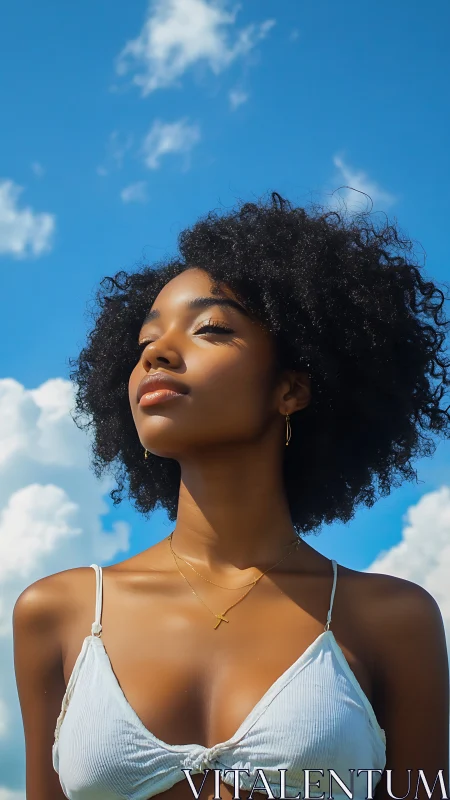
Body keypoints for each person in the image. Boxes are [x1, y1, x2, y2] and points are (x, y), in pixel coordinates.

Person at [13, 192, 450, 800]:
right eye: (145, 343)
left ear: (292, 388)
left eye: (211, 329)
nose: (157, 354)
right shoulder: (59, 613)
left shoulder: (393, 620)